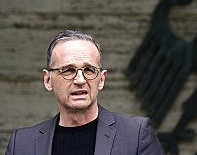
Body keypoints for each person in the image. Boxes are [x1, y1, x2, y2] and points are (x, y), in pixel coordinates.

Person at [5, 30, 165, 155]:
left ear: (101, 79)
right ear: (48, 80)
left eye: (89, 70)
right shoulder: (22, 143)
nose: (80, 80)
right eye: (68, 70)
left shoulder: (136, 134)